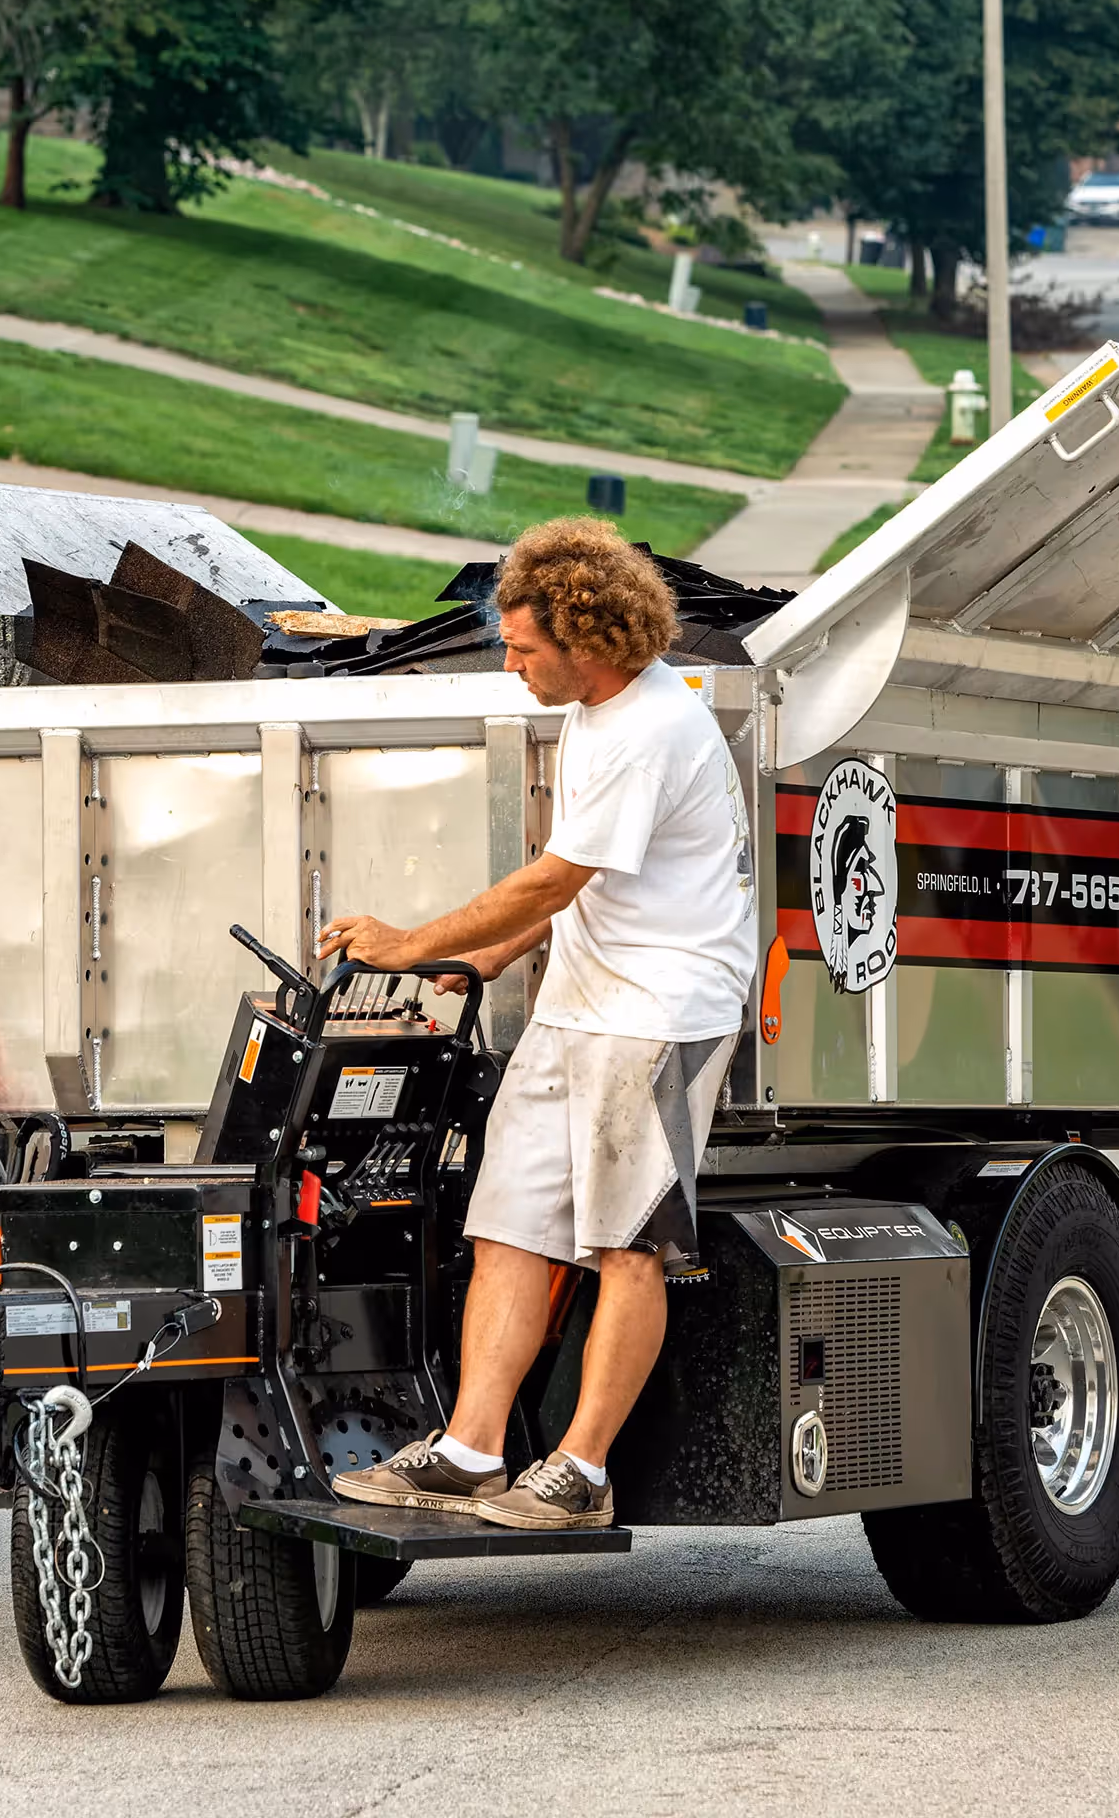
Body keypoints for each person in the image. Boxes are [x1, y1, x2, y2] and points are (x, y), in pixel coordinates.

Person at [313, 518, 754, 1529]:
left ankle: (582, 1475)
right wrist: (485, 960)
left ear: (589, 644)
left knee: (626, 1247)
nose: (508, 662)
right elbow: (580, 892)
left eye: (523, 648)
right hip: (581, 1006)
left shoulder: (650, 728)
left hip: (659, 1014)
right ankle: (470, 1450)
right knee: (508, 1222)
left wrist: (413, 943)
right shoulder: (595, 715)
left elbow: (555, 876)